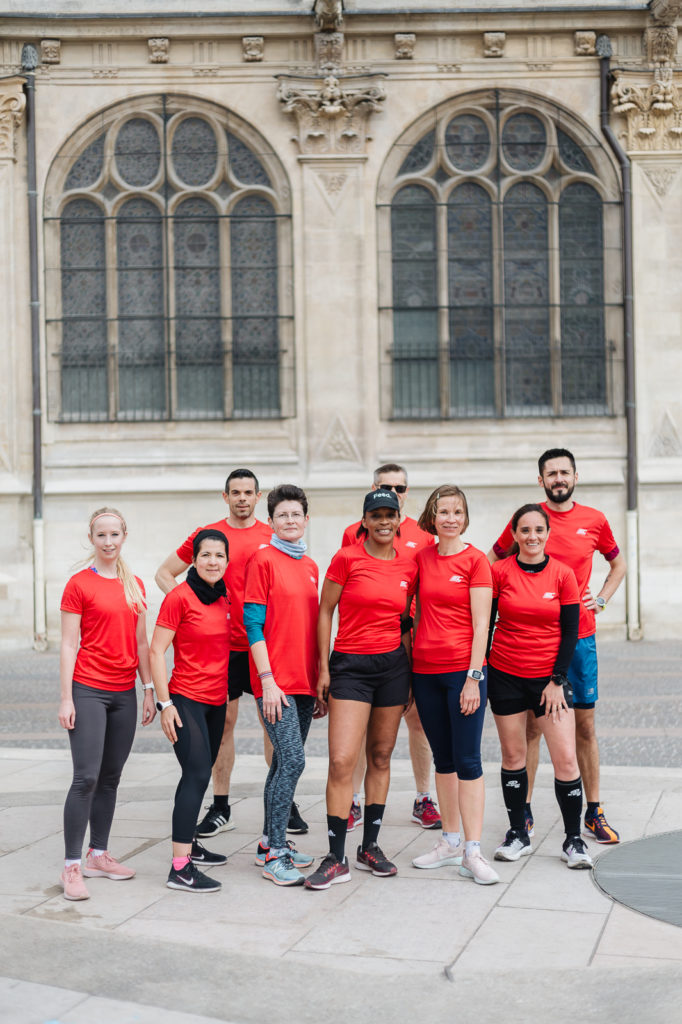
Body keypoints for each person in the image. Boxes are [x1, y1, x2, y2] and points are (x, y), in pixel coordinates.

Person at [155, 469, 309, 837]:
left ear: (258, 497)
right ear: (225, 497)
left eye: (248, 492)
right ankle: (221, 806)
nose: (242, 498)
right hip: (221, 651)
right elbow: (164, 574)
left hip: (262, 648)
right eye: (235, 492)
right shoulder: (208, 535)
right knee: (223, 726)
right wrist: (196, 612)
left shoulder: (273, 536)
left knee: (273, 725)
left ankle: (283, 803)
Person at [488, 448, 626, 844]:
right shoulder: (528, 521)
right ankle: (525, 811)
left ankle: (593, 811)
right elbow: (491, 562)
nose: (559, 479)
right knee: (531, 727)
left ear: (575, 477)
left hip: (577, 639)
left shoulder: (594, 520)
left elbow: (619, 564)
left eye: (565, 472)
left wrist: (601, 599)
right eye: (552, 473)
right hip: (530, 646)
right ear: (541, 480)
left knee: (585, 725)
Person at [305, 489, 418, 890]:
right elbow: (325, 611)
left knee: (381, 756)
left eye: (390, 514)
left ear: (399, 519)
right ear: (365, 521)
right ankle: (335, 857)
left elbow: (407, 621)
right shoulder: (346, 558)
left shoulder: (409, 564)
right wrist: (323, 668)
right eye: (377, 515)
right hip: (350, 667)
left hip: (393, 668)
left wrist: (411, 673)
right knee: (341, 760)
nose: (384, 521)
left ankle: (369, 846)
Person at [488, 504, 593, 870]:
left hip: (549, 680)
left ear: (548, 533)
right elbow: (486, 622)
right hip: (505, 676)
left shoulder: (563, 574)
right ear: (515, 535)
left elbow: (571, 632)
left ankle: (573, 840)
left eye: (538, 530)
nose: (532, 536)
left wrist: (557, 680)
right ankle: (518, 834)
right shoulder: (499, 572)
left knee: (566, 759)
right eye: (525, 530)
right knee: (513, 757)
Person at [58, 507, 155, 902]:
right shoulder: (78, 584)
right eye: (101, 535)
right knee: (86, 777)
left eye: (115, 534)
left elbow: (142, 643)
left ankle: (98, 854)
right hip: (88, 690)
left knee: (111, 777)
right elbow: (69, 644)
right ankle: (71, 865)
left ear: (124, 536)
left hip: (123, 694)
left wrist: (149, 689)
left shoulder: (135, 585)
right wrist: (66, 698)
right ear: (92, 538)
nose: (109, 541)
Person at [340, 463, 440, 832]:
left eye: (400, 488)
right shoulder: (354, 532)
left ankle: (423, 797)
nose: (394, 492)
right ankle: (352, 800)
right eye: (386, 486)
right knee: (364, 727)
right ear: (373, 489)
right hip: (371, 641)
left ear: (407, 492)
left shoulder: (423, 535)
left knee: (419, 721)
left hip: (413, 638)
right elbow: (348, 585)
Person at [410, 486, 499, 885]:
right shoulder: (421, 559)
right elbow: (412, 614)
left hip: (463, 673)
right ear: (432, 516)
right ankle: (449, 841)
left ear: (465, 517)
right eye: (443, 511)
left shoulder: (476, 561)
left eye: (457, 511)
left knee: (468, 760)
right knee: (443, 759)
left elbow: (482, 625)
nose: (450, 518)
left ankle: (472, 851)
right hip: (425, 673)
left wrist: (473, 678)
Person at [243, 484, 321, 886]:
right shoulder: (262, 560)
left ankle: (267, 843)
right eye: (282, 515)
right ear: (271, 521)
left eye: (296, 514)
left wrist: (319, 681)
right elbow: (252, 623)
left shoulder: (310, 566)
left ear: (306, 519)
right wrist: (267, 681)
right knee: (292, 760)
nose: (290, 520)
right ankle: (276, 853)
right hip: (275, 683)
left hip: (304, 681)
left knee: (281, 764)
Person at [150, 529, 232, 893]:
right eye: (205, 555)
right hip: (185, 700)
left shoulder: (225, 598)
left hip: (216, 702)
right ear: (193, 561)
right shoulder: (179, 597)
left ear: (227, 561)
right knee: (197, 774)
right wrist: (164, 703)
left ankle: (190, 844)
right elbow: (156, 651)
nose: (213, 562)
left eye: (219, 555)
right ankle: (180, 868)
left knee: (197, 774)